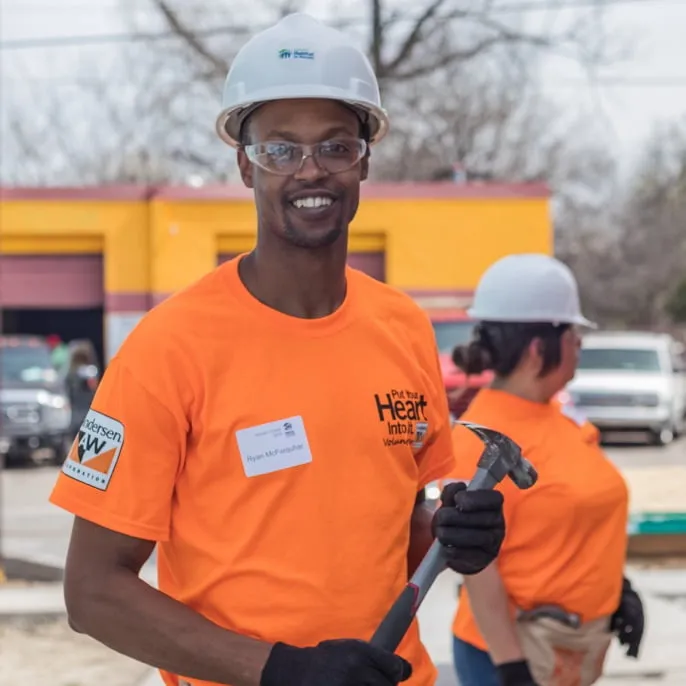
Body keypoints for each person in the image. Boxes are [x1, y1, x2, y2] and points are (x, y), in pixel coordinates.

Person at [48, 13, 506, 686]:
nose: (310, 170)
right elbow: (91, 592)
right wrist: (275, 669)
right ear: (245, 164)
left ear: (364, 159)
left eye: (335, 146)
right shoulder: (168, 347)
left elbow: (397, 528)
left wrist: (453, 533)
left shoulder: (401, 326)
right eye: (281, 150)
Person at [443, 254, 645, 686]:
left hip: (567, 651)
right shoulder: (483, 441)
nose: (579, 347)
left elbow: (575, 519)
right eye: (575, 335)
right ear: (539, 349)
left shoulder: (558, 418)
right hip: (509, 658)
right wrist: (511, 667)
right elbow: (479, 570)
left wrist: (615, 591)